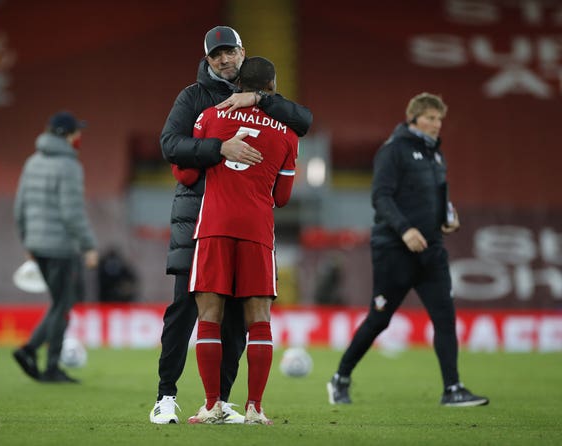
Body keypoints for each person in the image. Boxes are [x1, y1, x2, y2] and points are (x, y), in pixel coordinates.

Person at [150, 25, 312, 424]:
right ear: (207, 61)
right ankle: (165, 396)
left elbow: (303, 119)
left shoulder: (264, 99)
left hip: (235, 220)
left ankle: (220, 401)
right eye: (216, 55)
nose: (225, 59)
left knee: (237, 320)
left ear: (243, 53)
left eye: (231, 52)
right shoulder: (193, 98)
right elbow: (170, 145)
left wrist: (257, 98)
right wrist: (218, 149)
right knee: (184, 309)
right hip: (197, 218)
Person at [326, 93, 489, 407]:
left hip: (432, 249)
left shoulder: (435, 156)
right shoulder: (393, 151)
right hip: (394, 250)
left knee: (444, 318)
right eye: (430, 118)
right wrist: (405, 230)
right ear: (413, 118)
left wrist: (448, 217)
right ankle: (340, 377)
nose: (436, 124)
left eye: (439, 119)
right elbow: (381, 198)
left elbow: (440, 197)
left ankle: (452, 389)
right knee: (380, 319)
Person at [174, 56, 297, 425]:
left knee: (209, 318)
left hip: (214, 226)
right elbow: (283, 197)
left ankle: (212, 405)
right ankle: (255, 408)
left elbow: (185, 172)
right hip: (257, 231)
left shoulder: (210, 117)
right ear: (272, 88)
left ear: (238, 83)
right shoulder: (288, 132)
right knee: (258, 320)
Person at [12, 110, 98, 383]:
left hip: (38, 244)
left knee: (59, 304)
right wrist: (89, 245)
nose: (79, 136)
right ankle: (30, 350)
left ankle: (50, 366)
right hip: (61, 246)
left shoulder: (32, 162)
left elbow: (19, 207)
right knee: (63, 304)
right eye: (76, 131)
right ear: (66, 135)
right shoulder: (69, 166)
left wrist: (27, 241)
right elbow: (72, 213)